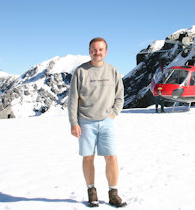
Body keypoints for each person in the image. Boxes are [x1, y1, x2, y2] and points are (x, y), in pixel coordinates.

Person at [68, 37, 126, 208]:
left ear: (106, 52)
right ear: (89, 51)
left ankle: (113, 193)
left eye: (100, 49)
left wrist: (113, 114)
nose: (97, 52)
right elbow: (72, 100)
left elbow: (120, 96)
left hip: (106, 122)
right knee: (88, 158)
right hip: (85, 122)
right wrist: (74, 122)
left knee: (111, 157)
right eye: (94, 49)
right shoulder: (80, 71)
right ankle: (91, 191)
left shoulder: (113, 71)